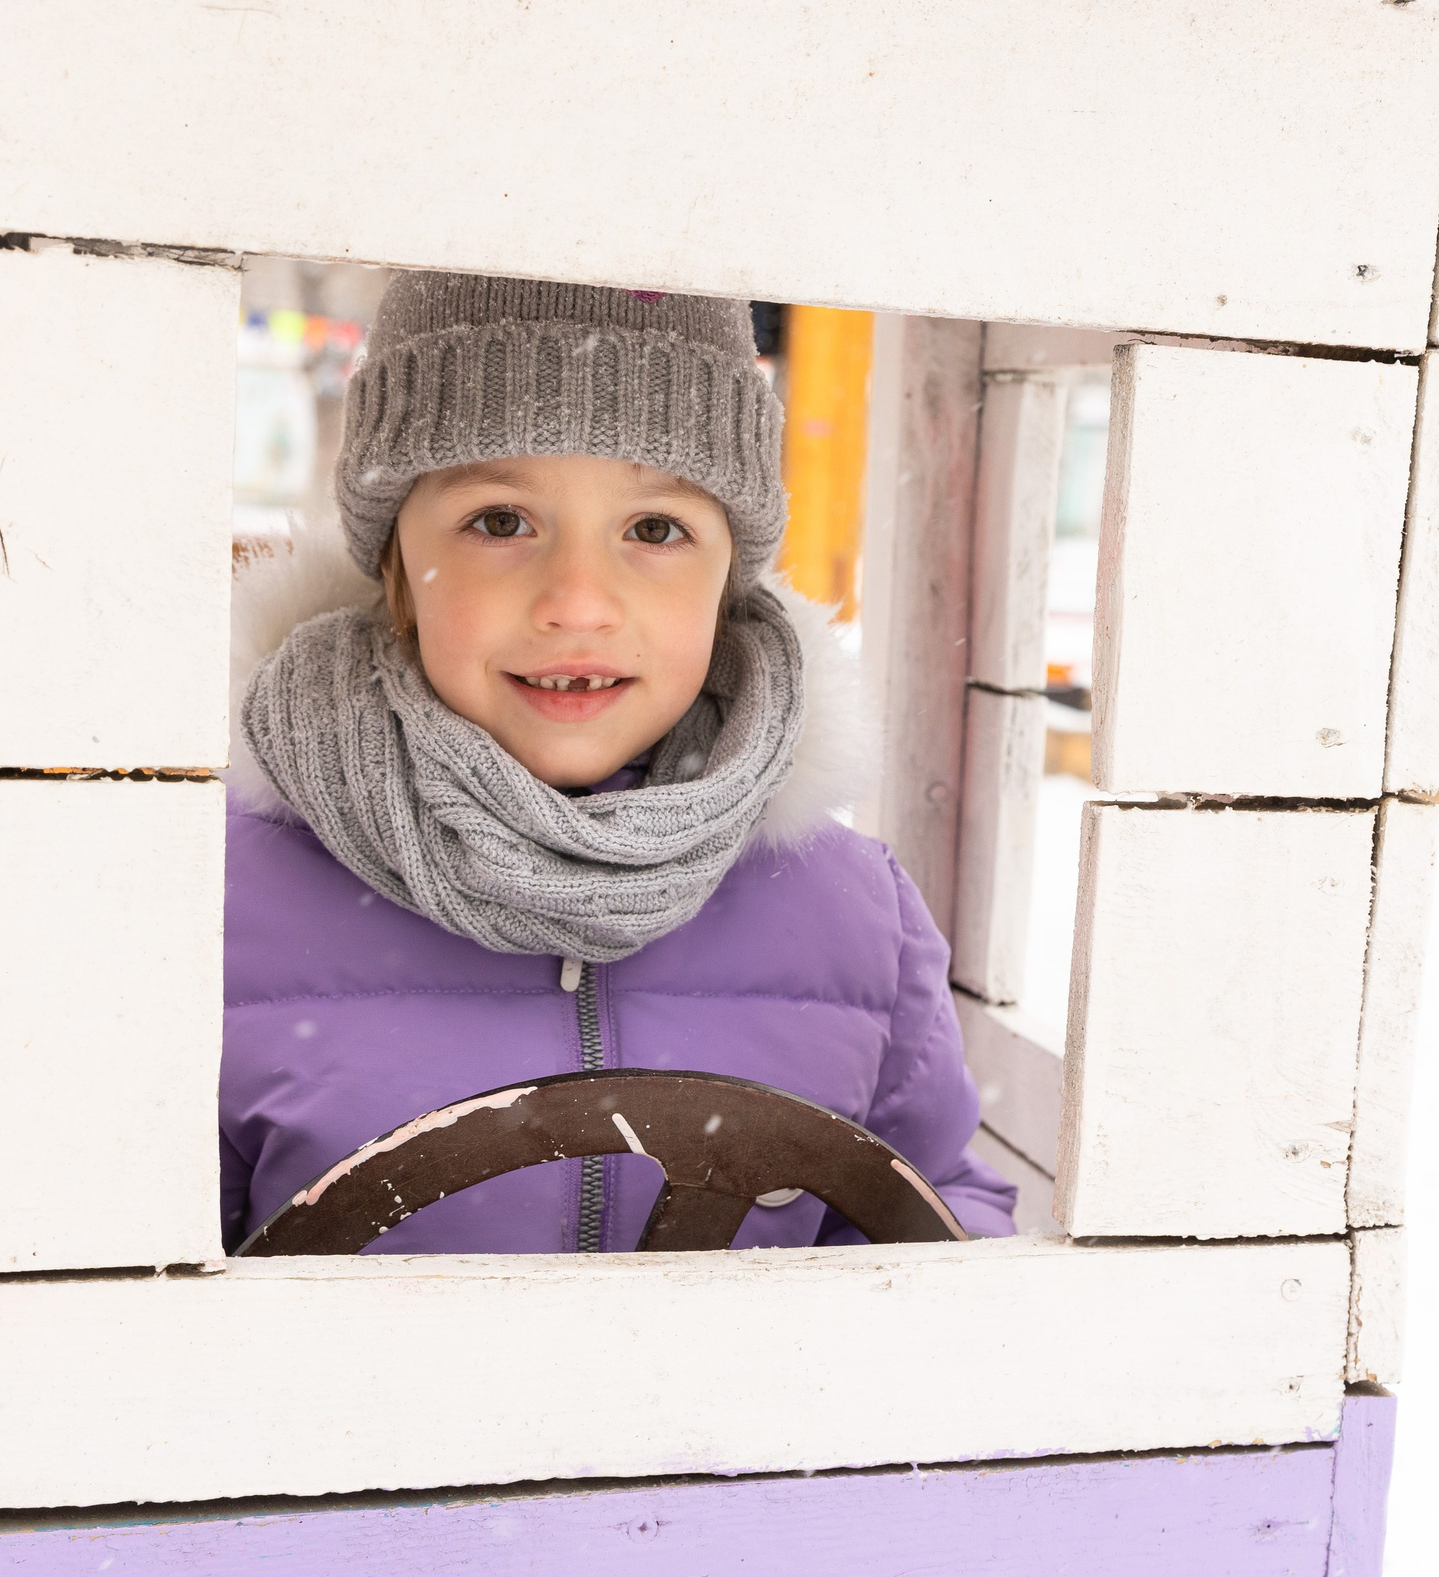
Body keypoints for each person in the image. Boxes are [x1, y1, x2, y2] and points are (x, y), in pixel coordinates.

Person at [220, 276, 1016, 1254]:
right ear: (393, 563)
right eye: (502, 521)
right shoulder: (217, 907)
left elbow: (926, 1217)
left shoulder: (852, 919)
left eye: (654, 530)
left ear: (731, 577)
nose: (579, 603)